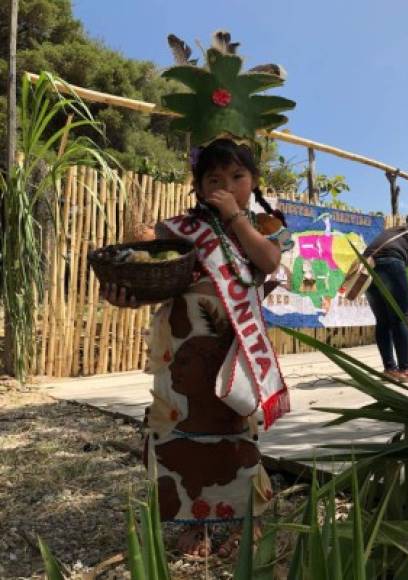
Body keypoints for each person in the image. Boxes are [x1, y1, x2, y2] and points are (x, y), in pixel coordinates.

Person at [102, 33, 296, 557]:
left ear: (253, 181)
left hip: (236, 350)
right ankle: (193, 523)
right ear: (197, 184)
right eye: (215, 176)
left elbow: (269, 263)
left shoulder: (266, 225)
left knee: (236, 432)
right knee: (180, 434)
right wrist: (126, 295)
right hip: (181, 351)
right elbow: (154, 275)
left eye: (238, 176)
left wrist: (236, 219)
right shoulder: (178, 228)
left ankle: (243, 518)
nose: (227, 185)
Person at [364, 206, 408, 381]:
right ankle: (406, 370)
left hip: (367, 269)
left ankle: (390, 369)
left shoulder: (395, 231)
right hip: (391, 265)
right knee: (400, 317)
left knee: (383, 321)